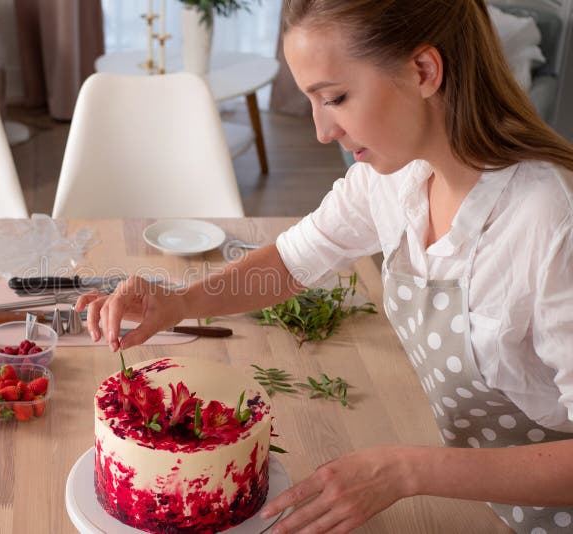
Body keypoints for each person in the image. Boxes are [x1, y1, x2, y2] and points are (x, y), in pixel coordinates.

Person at [75, 0, 573, 532]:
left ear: (424, 71)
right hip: (487, 504)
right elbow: (290, 263)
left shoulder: (550, 220)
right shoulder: (397, 180)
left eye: (335, 97)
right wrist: (179, 301)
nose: (321, 130)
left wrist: (404, 471)